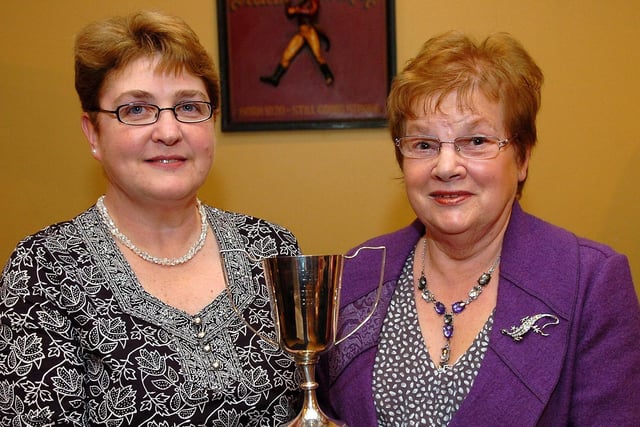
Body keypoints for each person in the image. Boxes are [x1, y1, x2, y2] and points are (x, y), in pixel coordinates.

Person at [317, 31, 640, 426]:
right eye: (423, 144)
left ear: (521, 158)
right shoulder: (353, 276)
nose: (447, 166)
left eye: (475, 140)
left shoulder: (590, 283)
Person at [0, 10, 301, 426]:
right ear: (93, 133)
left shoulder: (271, 247)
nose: (168, 131)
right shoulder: (45, 270)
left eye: (189, 106)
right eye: (137, 109)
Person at [260, 0, 334, 87]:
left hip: (309, 31)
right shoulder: (302, 3)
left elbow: (312, 11)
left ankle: (328, 76)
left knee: (317, 55)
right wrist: (288, 5)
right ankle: (275, 78)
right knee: (287, 55)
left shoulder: (313, 1)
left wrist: (297, 10)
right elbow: (289, 15)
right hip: (302, 33)